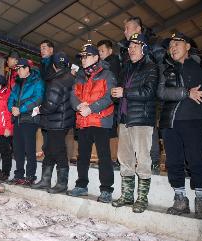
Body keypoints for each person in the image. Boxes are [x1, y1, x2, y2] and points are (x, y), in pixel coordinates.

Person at [157, 32, 202, 220]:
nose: (172, 47)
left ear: (187, 46)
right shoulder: (165, 68)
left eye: (177, 43)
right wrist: (186, 92)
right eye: (170, 45)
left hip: (193, 119)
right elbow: (161, 92)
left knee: (196, 159)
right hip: (170, 121)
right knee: (173, 161)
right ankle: (180, 198)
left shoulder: (201, 66)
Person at [111, 33, 159, 213]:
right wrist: (116, 95)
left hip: (141, 119)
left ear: (144, 48)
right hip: (124, 119)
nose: (131, 49)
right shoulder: (126, 69)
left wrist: (125, 92)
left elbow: (148, 92)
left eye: (135, 46)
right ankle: (127, 195)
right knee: (125, 159)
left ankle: (142, 198)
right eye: (130, 47)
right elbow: (123, 93)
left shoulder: (151, 67)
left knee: (143, 159)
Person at [66, 44, 115, 202]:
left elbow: (110, 96)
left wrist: (91, 108)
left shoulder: (107, 75)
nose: (83, 59)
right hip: (83, 121)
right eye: (82, 57)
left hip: (100, 121)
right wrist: (78, 106)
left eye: (86, 56)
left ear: (95, 58)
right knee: (83, 156)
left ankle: (106, 189)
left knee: (104, 156)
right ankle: (81, 185)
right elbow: (73, 95)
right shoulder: (80, 76)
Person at [31, 52, 75, 194]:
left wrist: (40, 109)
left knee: (58, 151)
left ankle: (61, 183)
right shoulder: (70, 78)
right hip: (64, 120)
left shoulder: (56, 81)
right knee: (49, 150)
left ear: (54, 66)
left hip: (55, 121)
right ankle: (45, 180)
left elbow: (51, 105)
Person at [7, 58, 45, 185]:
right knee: (18, 149)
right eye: (17, 69)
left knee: (29, 149)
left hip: (29, 119)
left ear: (27, 69)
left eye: (20, 68)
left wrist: (21, 109)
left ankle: (30, 176)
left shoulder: (37, 81)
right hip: (17, 119)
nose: (17, 71)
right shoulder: (17, 83)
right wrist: (11, 108)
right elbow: (10, 99)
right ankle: (18, 175)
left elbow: (38, 98)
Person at [97, 39, 122, 170]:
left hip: (112, 102)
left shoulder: (113, 63)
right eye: (99, 51)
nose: (100, 53)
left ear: (110, 51)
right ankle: (109, 158)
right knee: (108, 131)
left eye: (103, 50)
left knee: (111, 130)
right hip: (109, 101)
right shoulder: (104, 65)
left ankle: (113, 158)